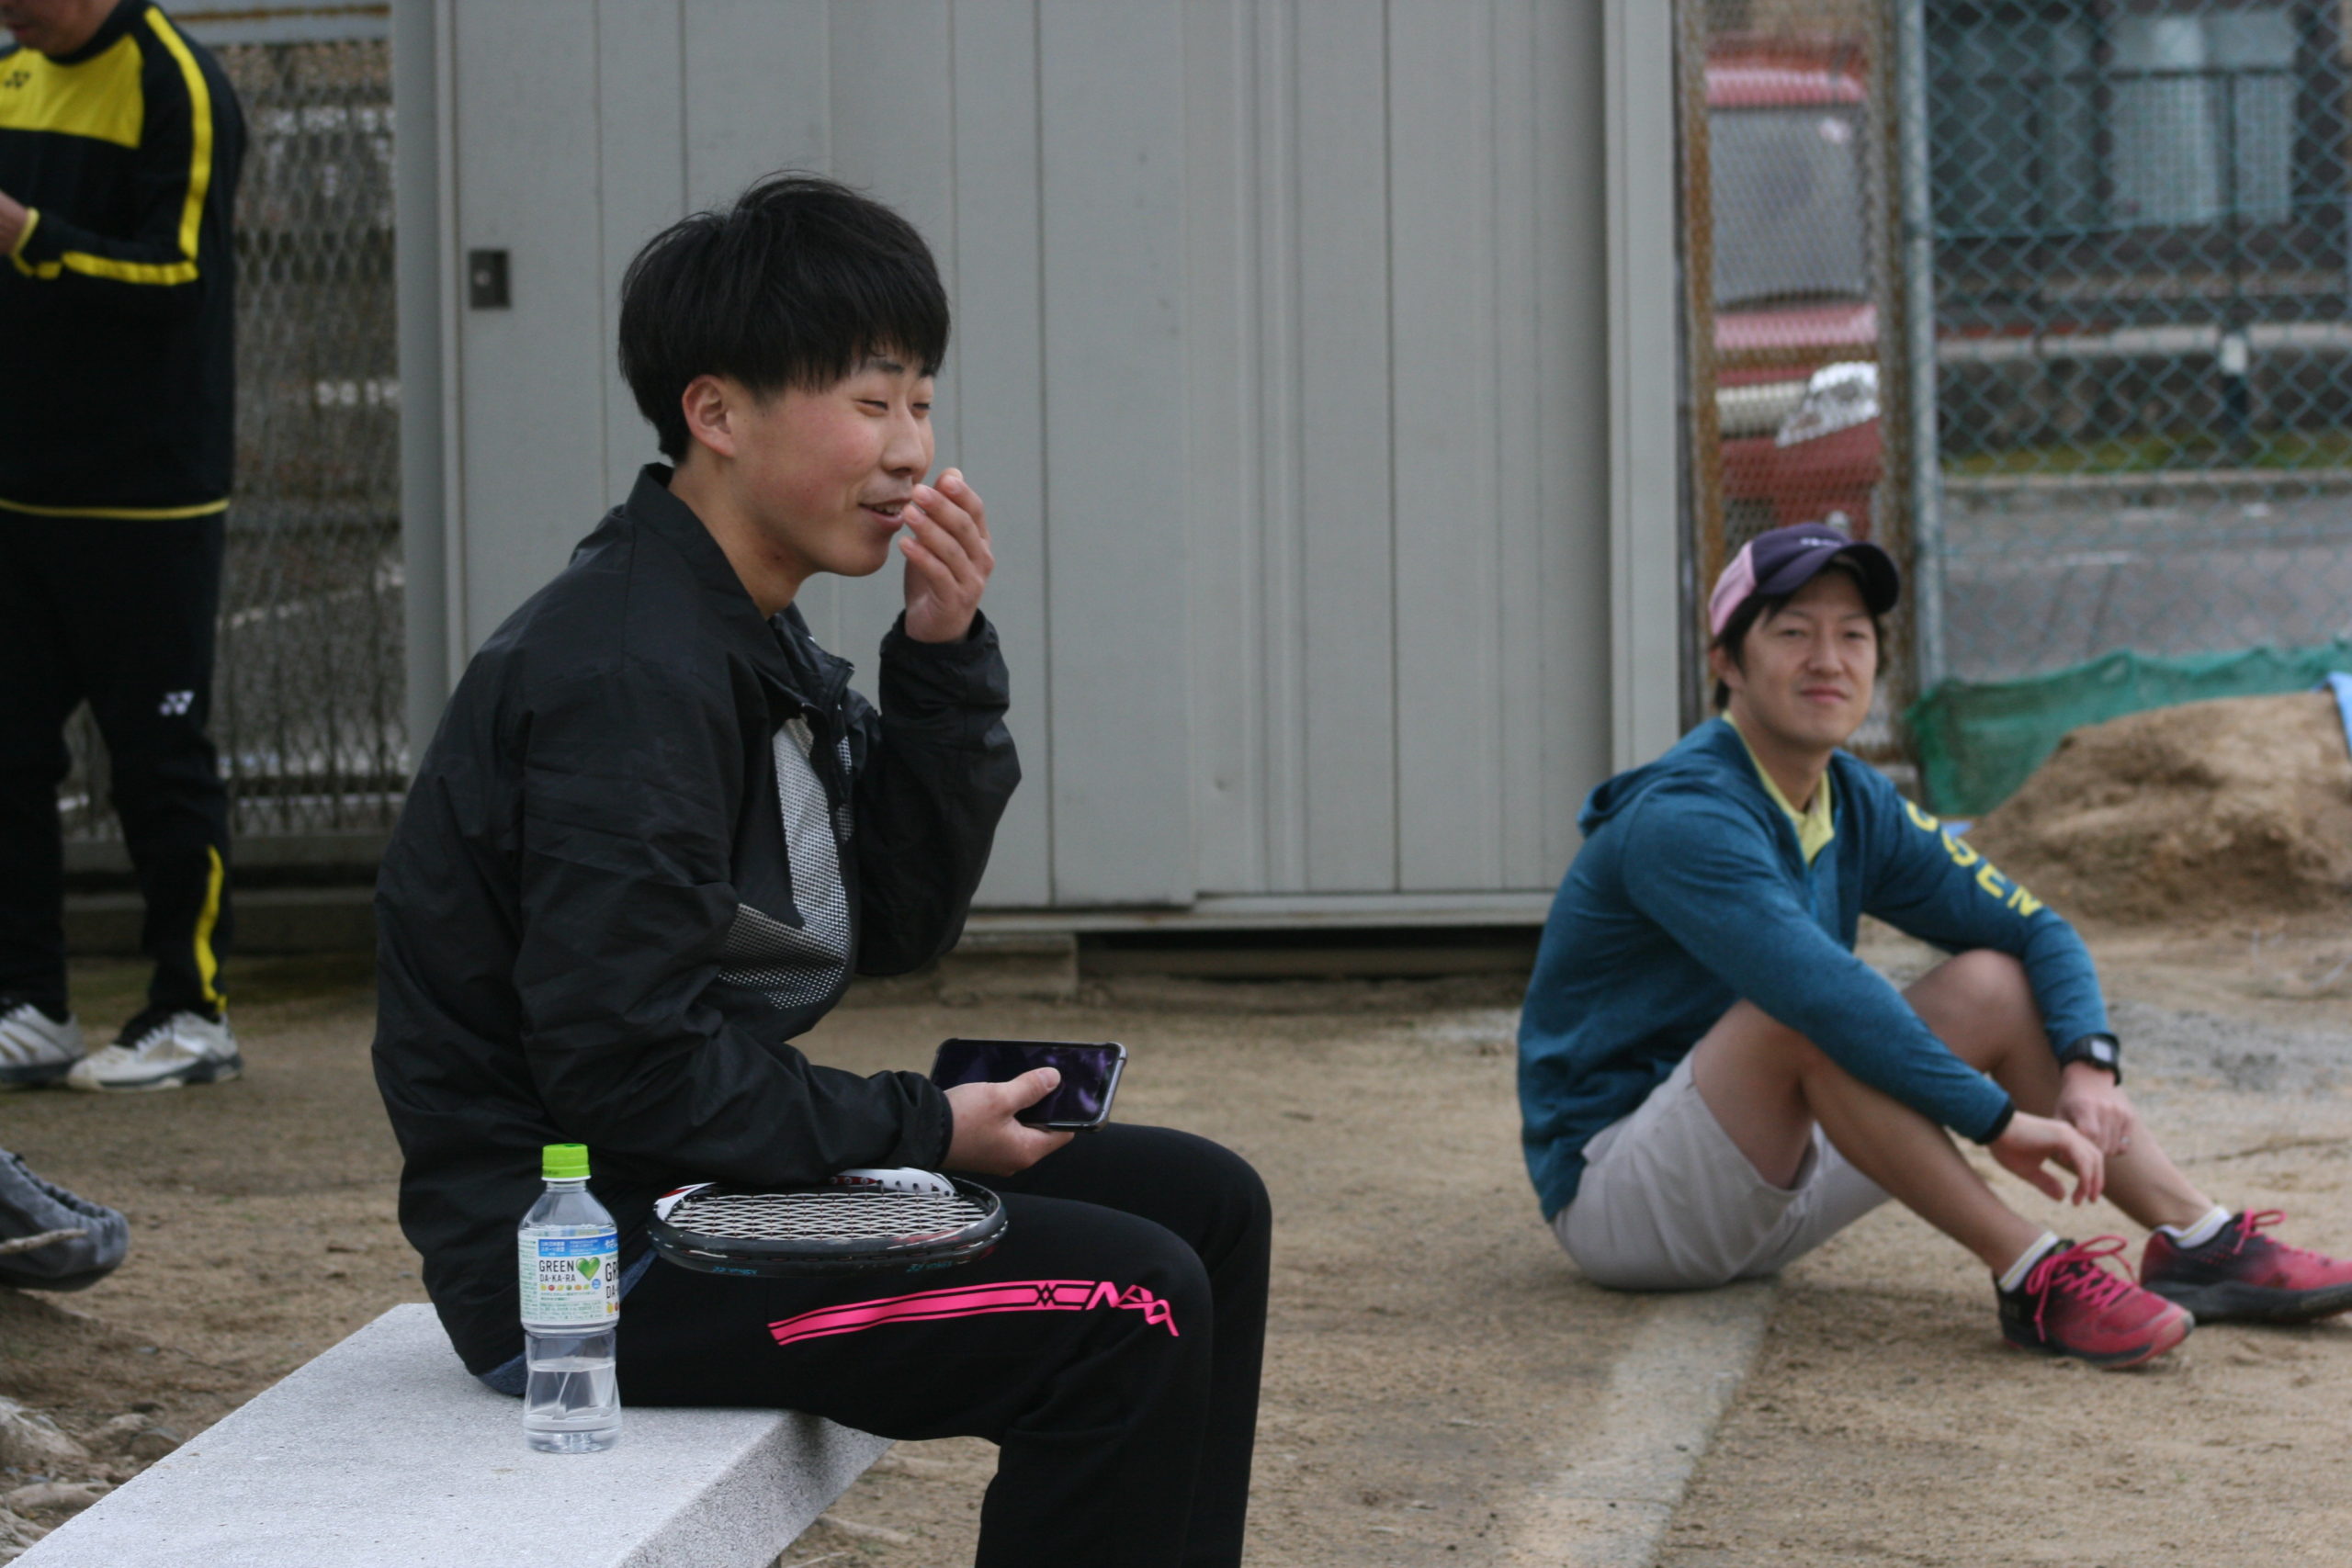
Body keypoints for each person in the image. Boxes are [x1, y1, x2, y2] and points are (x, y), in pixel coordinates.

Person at [373, 175, 1269, 1566]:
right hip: (594, 1262)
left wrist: (941, 660)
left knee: (1204, 1205)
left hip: (700, 1189)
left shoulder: (739, 631)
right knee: (1125, 1301)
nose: (910, 450)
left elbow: (893, 922)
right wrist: (924, 1127)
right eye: (868, 400)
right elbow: (623, 1069)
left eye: (921, 401)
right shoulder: (628, 671)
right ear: (716, 414)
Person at [1518, 522, 2352, 1367]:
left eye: (1853, 635)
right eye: (1794, 631)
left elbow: (2038, 928)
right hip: (1628, 1202)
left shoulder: (1851, 796)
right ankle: (2032, 1273)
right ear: (1727, 662)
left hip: (1771, 1176)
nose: (1828, 659)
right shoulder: (1686, 815)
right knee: (1806, 1013)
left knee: (1995, 982)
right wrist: (1995, 1120)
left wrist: (2089, 1064)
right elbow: (1822, 997)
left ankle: (2201, 1241)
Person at [0, 0, 246, 1092]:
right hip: (20, 488)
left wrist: (32, 236)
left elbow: (180, 275)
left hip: (145, 495)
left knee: (157, 761)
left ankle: (193, 1012)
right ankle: (31, 1006)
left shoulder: (174, 81)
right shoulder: (9, 74)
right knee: (9, 754)